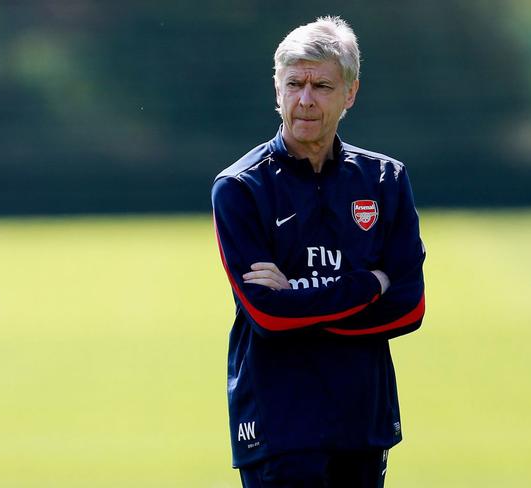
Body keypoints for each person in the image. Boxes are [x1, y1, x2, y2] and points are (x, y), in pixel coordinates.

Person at [211, 16, 426, 487]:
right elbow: (267, 317)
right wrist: (369, 283)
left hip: (362, 421)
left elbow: (409, 308)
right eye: (294, 84)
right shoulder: (240, 188)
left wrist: (298, 298)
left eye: (322, 85)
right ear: (276, 90)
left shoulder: (385, 182)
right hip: (278, 424)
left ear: (350, 93)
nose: (305, 99)